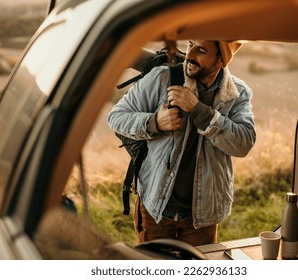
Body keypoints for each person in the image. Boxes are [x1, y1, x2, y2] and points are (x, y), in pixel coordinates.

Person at [107, 40, 256, 246]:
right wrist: (154, 122)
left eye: (201, 50)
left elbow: (243, 143)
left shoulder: (238, 93)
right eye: (190, 45)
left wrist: (199, 111)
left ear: (221, 59)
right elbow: (116, 117)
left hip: (203, 215)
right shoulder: (161, 78)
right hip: (155, 207)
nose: (190, 54)